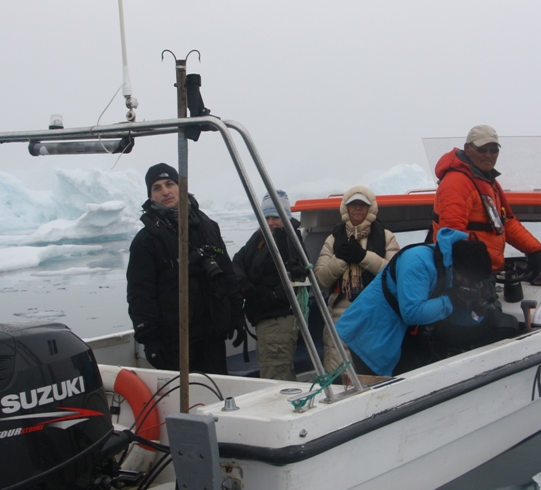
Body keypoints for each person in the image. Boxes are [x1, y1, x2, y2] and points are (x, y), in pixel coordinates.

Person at [126, 163, 243, 374]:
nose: (165, 191)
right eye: (157, 188)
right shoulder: (146, 241)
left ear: (181, 187)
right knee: (185, 402)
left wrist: (236, 315)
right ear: (150, 196)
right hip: (174, 340)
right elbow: (140, 294)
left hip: (212, 335)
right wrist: (149, 339)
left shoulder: (208, 227)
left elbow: (227, 274)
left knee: (216, 396)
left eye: (169, 184)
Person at [335, 228, 493, 377]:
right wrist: (451, 300)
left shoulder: (448, 266)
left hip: (396, 334)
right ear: (462, 270)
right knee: (378, 392)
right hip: (370, 331)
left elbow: (446, 311)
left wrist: (476, 313)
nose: (465, 283)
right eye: (467, 280)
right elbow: (412, 312)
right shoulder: (418, 262)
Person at [432, 124, 541, 275]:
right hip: (466, 273)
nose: (488, 155)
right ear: (467, 149)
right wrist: (469, 277)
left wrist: (533, 250)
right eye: (482, 149)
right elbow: (452, 233)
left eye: (494, 150)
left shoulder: (488, 182)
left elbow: (505, 222)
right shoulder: (457, 182)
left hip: (486, 270)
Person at [313, 186, 400, 376]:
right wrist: (340, 260)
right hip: (339, 315)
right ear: (346, 208)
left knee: (372, 373)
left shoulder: (386, 237)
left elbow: (395, 276)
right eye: (354, 205)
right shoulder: (333, 239)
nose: (358, 209)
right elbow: (319, 281)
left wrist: (363, 257)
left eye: (363, 205)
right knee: (338, 376)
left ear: (371, 208)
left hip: (374, 313)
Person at [232, 190, 304, 382]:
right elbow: (238, 260)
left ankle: (286, 411)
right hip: (265, 319)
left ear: (286, 216)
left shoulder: (290, 241)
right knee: (272, 373)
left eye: (275, 217)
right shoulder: (261, 238)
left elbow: (295, 280)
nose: (270, 222)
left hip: (278, 320)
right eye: (266, 217)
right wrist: (246, 285)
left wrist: (267, 298)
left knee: (277, 378)